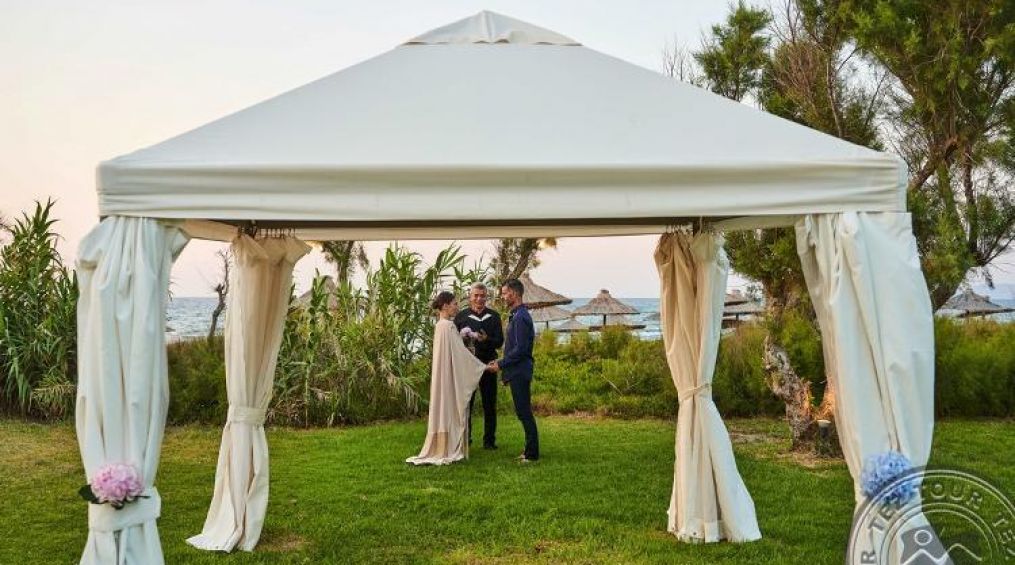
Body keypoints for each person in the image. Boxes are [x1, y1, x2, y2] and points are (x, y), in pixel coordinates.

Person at [406, 291, 487, 466]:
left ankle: (441, 443)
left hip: (442, 375)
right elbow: (460, 354)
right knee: (451, 406)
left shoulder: (439, 326)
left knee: (443, 406)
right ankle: (448, 446)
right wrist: (482, 366)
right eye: (454, 304)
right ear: (445, 306)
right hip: (449, 377)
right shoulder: (449, 326)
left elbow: (452, 352)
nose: (457, 307)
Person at [487, 278, 539, 462]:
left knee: (524, 412)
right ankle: (529, 450)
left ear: (514, 294)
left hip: (520, 371)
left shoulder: (521, 317)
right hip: (516, 370)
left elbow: (521, 349)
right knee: (522, 411)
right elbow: (514, 347)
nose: (502, 296)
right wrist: (500, 362)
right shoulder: (517, 315)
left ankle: (532, 454)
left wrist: (500, 364)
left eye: (504, 293)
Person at [453, 282, 504, 449]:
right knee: (466, 404)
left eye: (482, 296)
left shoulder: (494, 316)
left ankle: (489, 441)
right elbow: (454, 342)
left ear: (486, 297)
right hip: (468, 366)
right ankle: (466, 439)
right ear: (470, 296)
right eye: (476, 295)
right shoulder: (461, 317)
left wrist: (486, 339)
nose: (479, 299)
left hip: (488, 365)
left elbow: (499, 342)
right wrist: (464, 340)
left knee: (489, 404)